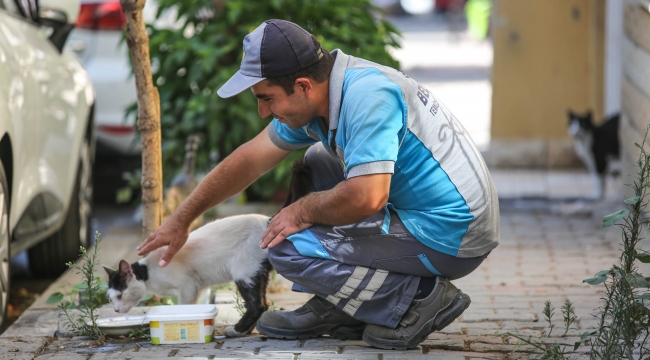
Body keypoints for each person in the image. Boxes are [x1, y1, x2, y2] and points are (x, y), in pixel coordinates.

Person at [136, 19, 499, 349]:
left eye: (266, 98)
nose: (263, 111)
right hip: (435, 214)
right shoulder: (324, 95)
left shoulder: (367, 97)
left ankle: (416, 298)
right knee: (316, 163)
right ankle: (346, 301)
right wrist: (182, 219)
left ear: (302, 86)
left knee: (285, 245)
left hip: (454, 234)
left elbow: (368, 196)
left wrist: (302, 210)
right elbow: (249, 159)